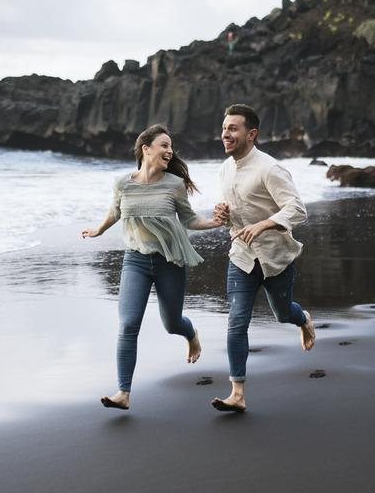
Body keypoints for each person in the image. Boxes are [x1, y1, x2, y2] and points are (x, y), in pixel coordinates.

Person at [83, 124, 227, 411]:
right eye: (164, 145)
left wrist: (213, 221)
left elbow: (188, 219)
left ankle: (191, 335)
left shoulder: (173, 184)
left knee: (171, 323)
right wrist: (98, 229)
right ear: (145, 148)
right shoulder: (122, 183)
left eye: (171, 146)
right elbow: (115, 210)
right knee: (127, 324)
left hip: (169, 261)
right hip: (135, 259)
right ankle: (123, 392)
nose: (169, 150)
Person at [211, 104, 315, 414]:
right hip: (241, 257)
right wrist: (223, 214)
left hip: (274, 257)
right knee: (236, 321)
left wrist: (264, 223)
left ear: (251, 134)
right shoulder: (225, 169)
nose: (226, 134)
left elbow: (297, 210)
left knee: (283, 313)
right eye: (224, 128)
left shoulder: (270, 168)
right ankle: (237, 392)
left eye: (233, 129)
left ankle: (304, 319)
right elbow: (234, 213)